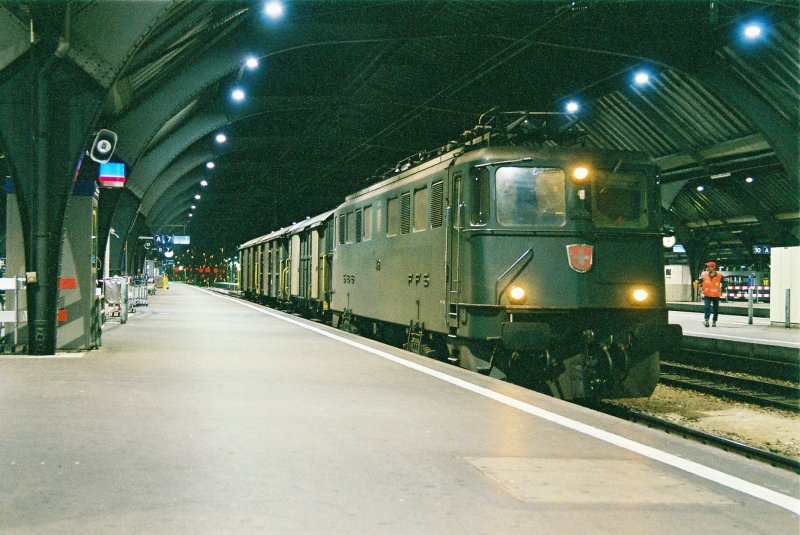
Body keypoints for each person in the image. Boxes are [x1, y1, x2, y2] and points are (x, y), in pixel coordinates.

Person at [699, 261, 723, 327]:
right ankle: (706, 320)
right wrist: (701, 286)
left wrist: (722, 288)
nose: (707, 268)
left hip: (716, 295)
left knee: (716, 309)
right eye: (707, 267)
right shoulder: (704, 275)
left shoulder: (719, 275)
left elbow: (725, 282)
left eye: (709, 267)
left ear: (713, 267)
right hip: (707, 294)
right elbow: (699, 281)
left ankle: (714, 321)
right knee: (707, 307)